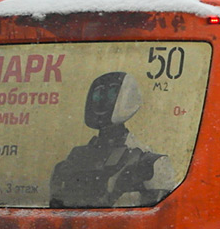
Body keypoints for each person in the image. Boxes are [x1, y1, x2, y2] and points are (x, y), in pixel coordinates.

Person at [48, 71, 169, 207]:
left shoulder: (149, 163)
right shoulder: (73, 160)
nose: (101, 102)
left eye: (112, 94)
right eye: (97, 95)